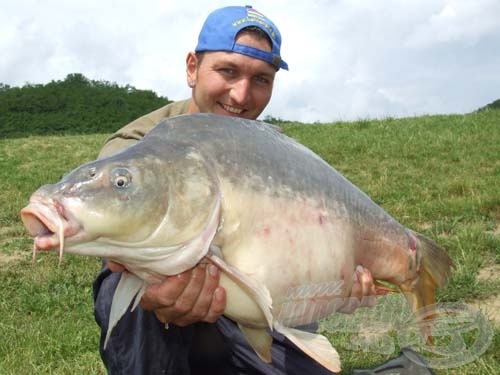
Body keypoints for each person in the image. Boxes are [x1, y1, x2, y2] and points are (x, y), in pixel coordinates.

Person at [93, 5, 434, 375]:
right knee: (123, 287)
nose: (241, 96)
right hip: (164, 302)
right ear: (192, 67)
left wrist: (336, 288)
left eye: (261, 79)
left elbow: (294, 268)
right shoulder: (136, 147)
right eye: (228, 71)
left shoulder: (273, 152)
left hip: (259, 308)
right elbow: (115, 248)